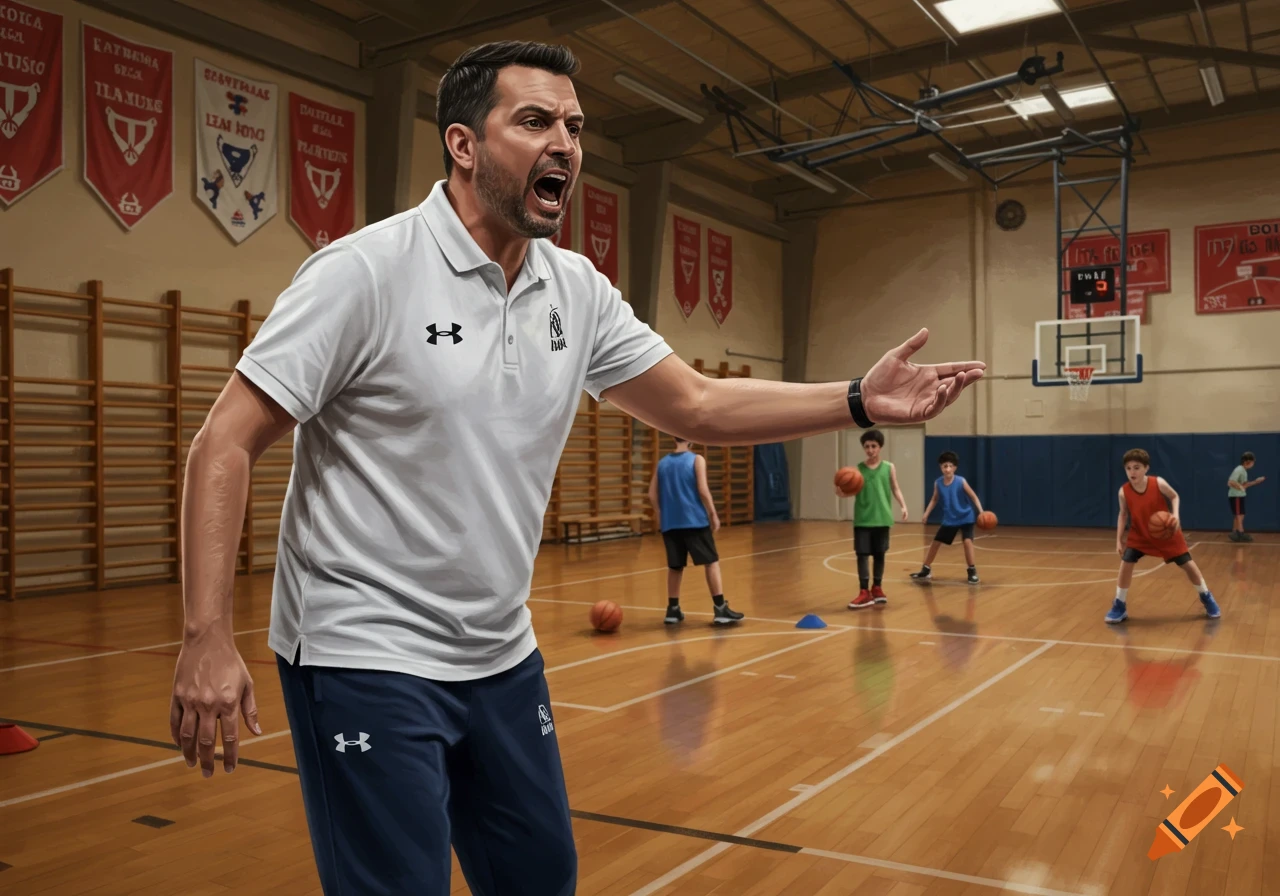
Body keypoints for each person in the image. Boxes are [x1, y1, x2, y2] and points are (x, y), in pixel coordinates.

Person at [166, 40, 985, 896]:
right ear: (463, 145)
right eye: (534, 121)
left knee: (540, 875)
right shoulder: (365, 273)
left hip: (497, 649)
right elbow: (223, 441)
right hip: (362, 650)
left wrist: (858, 399)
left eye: (574, 125)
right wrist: (206, 637)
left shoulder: (577, 290)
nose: (565, 142)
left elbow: (696, 405)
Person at [1106, 448, 1219, 624]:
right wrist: (1118, 539)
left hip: (1166, 533)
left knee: (1188, 565)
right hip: (1140, 534)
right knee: (1126, 563)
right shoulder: (1124, 491)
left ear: (1146, 468)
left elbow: (1174, 496)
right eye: (1128, 468)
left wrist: (1175, 516)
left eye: (1136, 467)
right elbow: (1123, 515)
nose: (1132, 472)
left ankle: (1206, 596)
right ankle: (1119, 604)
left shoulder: (1158, 483)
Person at [648, 435, 742, 624]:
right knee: (711, 562)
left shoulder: (663, 463)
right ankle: (720, 609)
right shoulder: (696, 459)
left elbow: (651, 494)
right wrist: (713, 514)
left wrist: (660, 514)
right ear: (691, 439)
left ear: (673, 438)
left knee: (675, 567)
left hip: (670, 523)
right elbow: (702, 490)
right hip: (694, 520)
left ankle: (672, 610)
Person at [847, 429, 907, 609]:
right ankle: (864, 591)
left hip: (882, 517)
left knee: (880, 554)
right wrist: (839, 490)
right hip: (863, 519)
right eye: (867, 447)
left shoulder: (889, 467)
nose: (870, 450)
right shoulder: (856, 470)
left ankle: (877, 588)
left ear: (880, 447)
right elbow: (847, 491)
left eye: (873, 446)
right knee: (862, 555)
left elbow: (895, 488)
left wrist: (903, 505)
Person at [911, 451, 984, 584]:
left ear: (955, 468)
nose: (948, 469)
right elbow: (934, 499)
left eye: (950, 466)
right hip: (950, 519)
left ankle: (972, 571)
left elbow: (973, 496)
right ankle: (926, 569)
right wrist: (926, 513)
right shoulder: (938, 483)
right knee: (935, 543)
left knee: (967, 542)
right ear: (941, 467)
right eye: (945, 466)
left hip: (966, 517)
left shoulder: (961, 481)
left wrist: (981, 511)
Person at [1228, 451, 1265, 542]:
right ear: (1247, 461)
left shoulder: (1243, 471)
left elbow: (1244, 485)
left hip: (1240, 495)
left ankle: (1235, 532)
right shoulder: (1239, 469)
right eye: (1252, 462)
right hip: (1236, 496)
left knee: (1240, 514)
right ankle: (1240, 533)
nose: (1253, 464)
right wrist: (1240, 487)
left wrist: (1256, 481)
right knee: (1239, 515)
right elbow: (1230, 482)